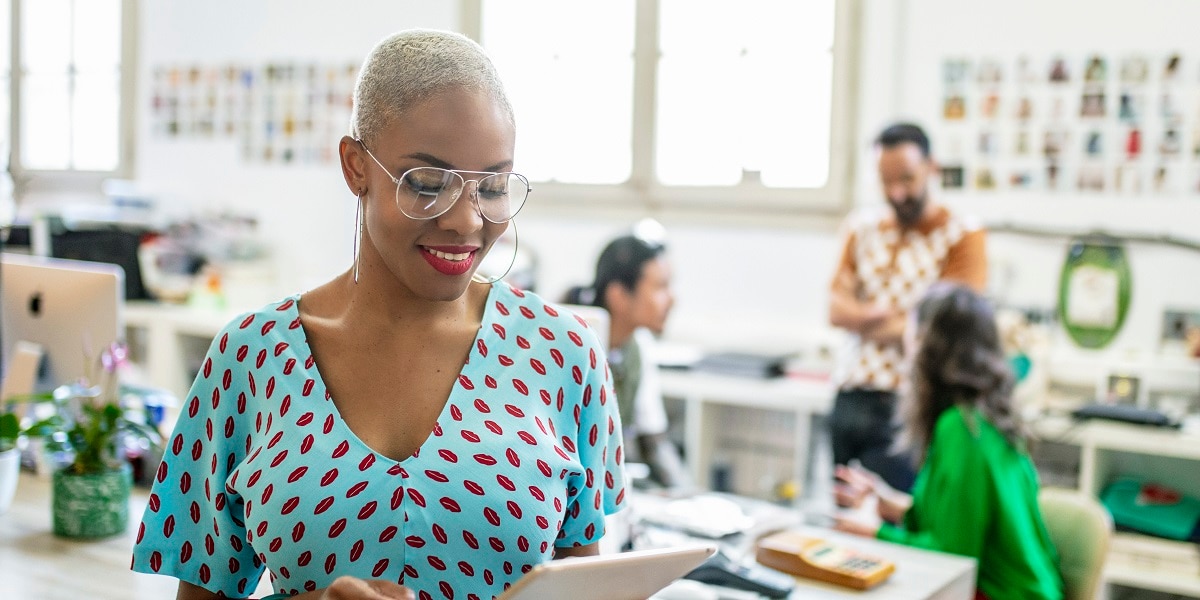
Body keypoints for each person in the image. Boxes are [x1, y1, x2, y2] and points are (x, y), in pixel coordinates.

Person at [131, 29, 626, 600]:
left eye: (491, 186)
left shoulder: (562, 352)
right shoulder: (249, 359)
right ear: (355, 167)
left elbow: (587, 590)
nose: (466, 222)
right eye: (428, 183)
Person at [831, 282, 1063, 600]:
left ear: (927, 344)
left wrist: (875, 532)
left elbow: (951, 557)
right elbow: (957, 521)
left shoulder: (961, 429)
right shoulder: (984, 418)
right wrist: (890, 504)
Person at [827, 122, 987, 493]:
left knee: (895, 526)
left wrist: (863, 318)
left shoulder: (962, 234)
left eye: (907, 179)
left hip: (908, 404)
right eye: (885, 181)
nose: (896, 193)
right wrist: (883, 317)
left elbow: (946, 328)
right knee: (845, 522)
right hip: (850, 394)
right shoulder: (861, 228)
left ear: (932, 167)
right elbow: (835, 310)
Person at [564, 223, 690, 489]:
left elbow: (654, 443)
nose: (672, 300)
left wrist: (688, 497)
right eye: (660, 287)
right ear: (619, 295)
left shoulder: (637, 349)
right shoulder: (570, 346)